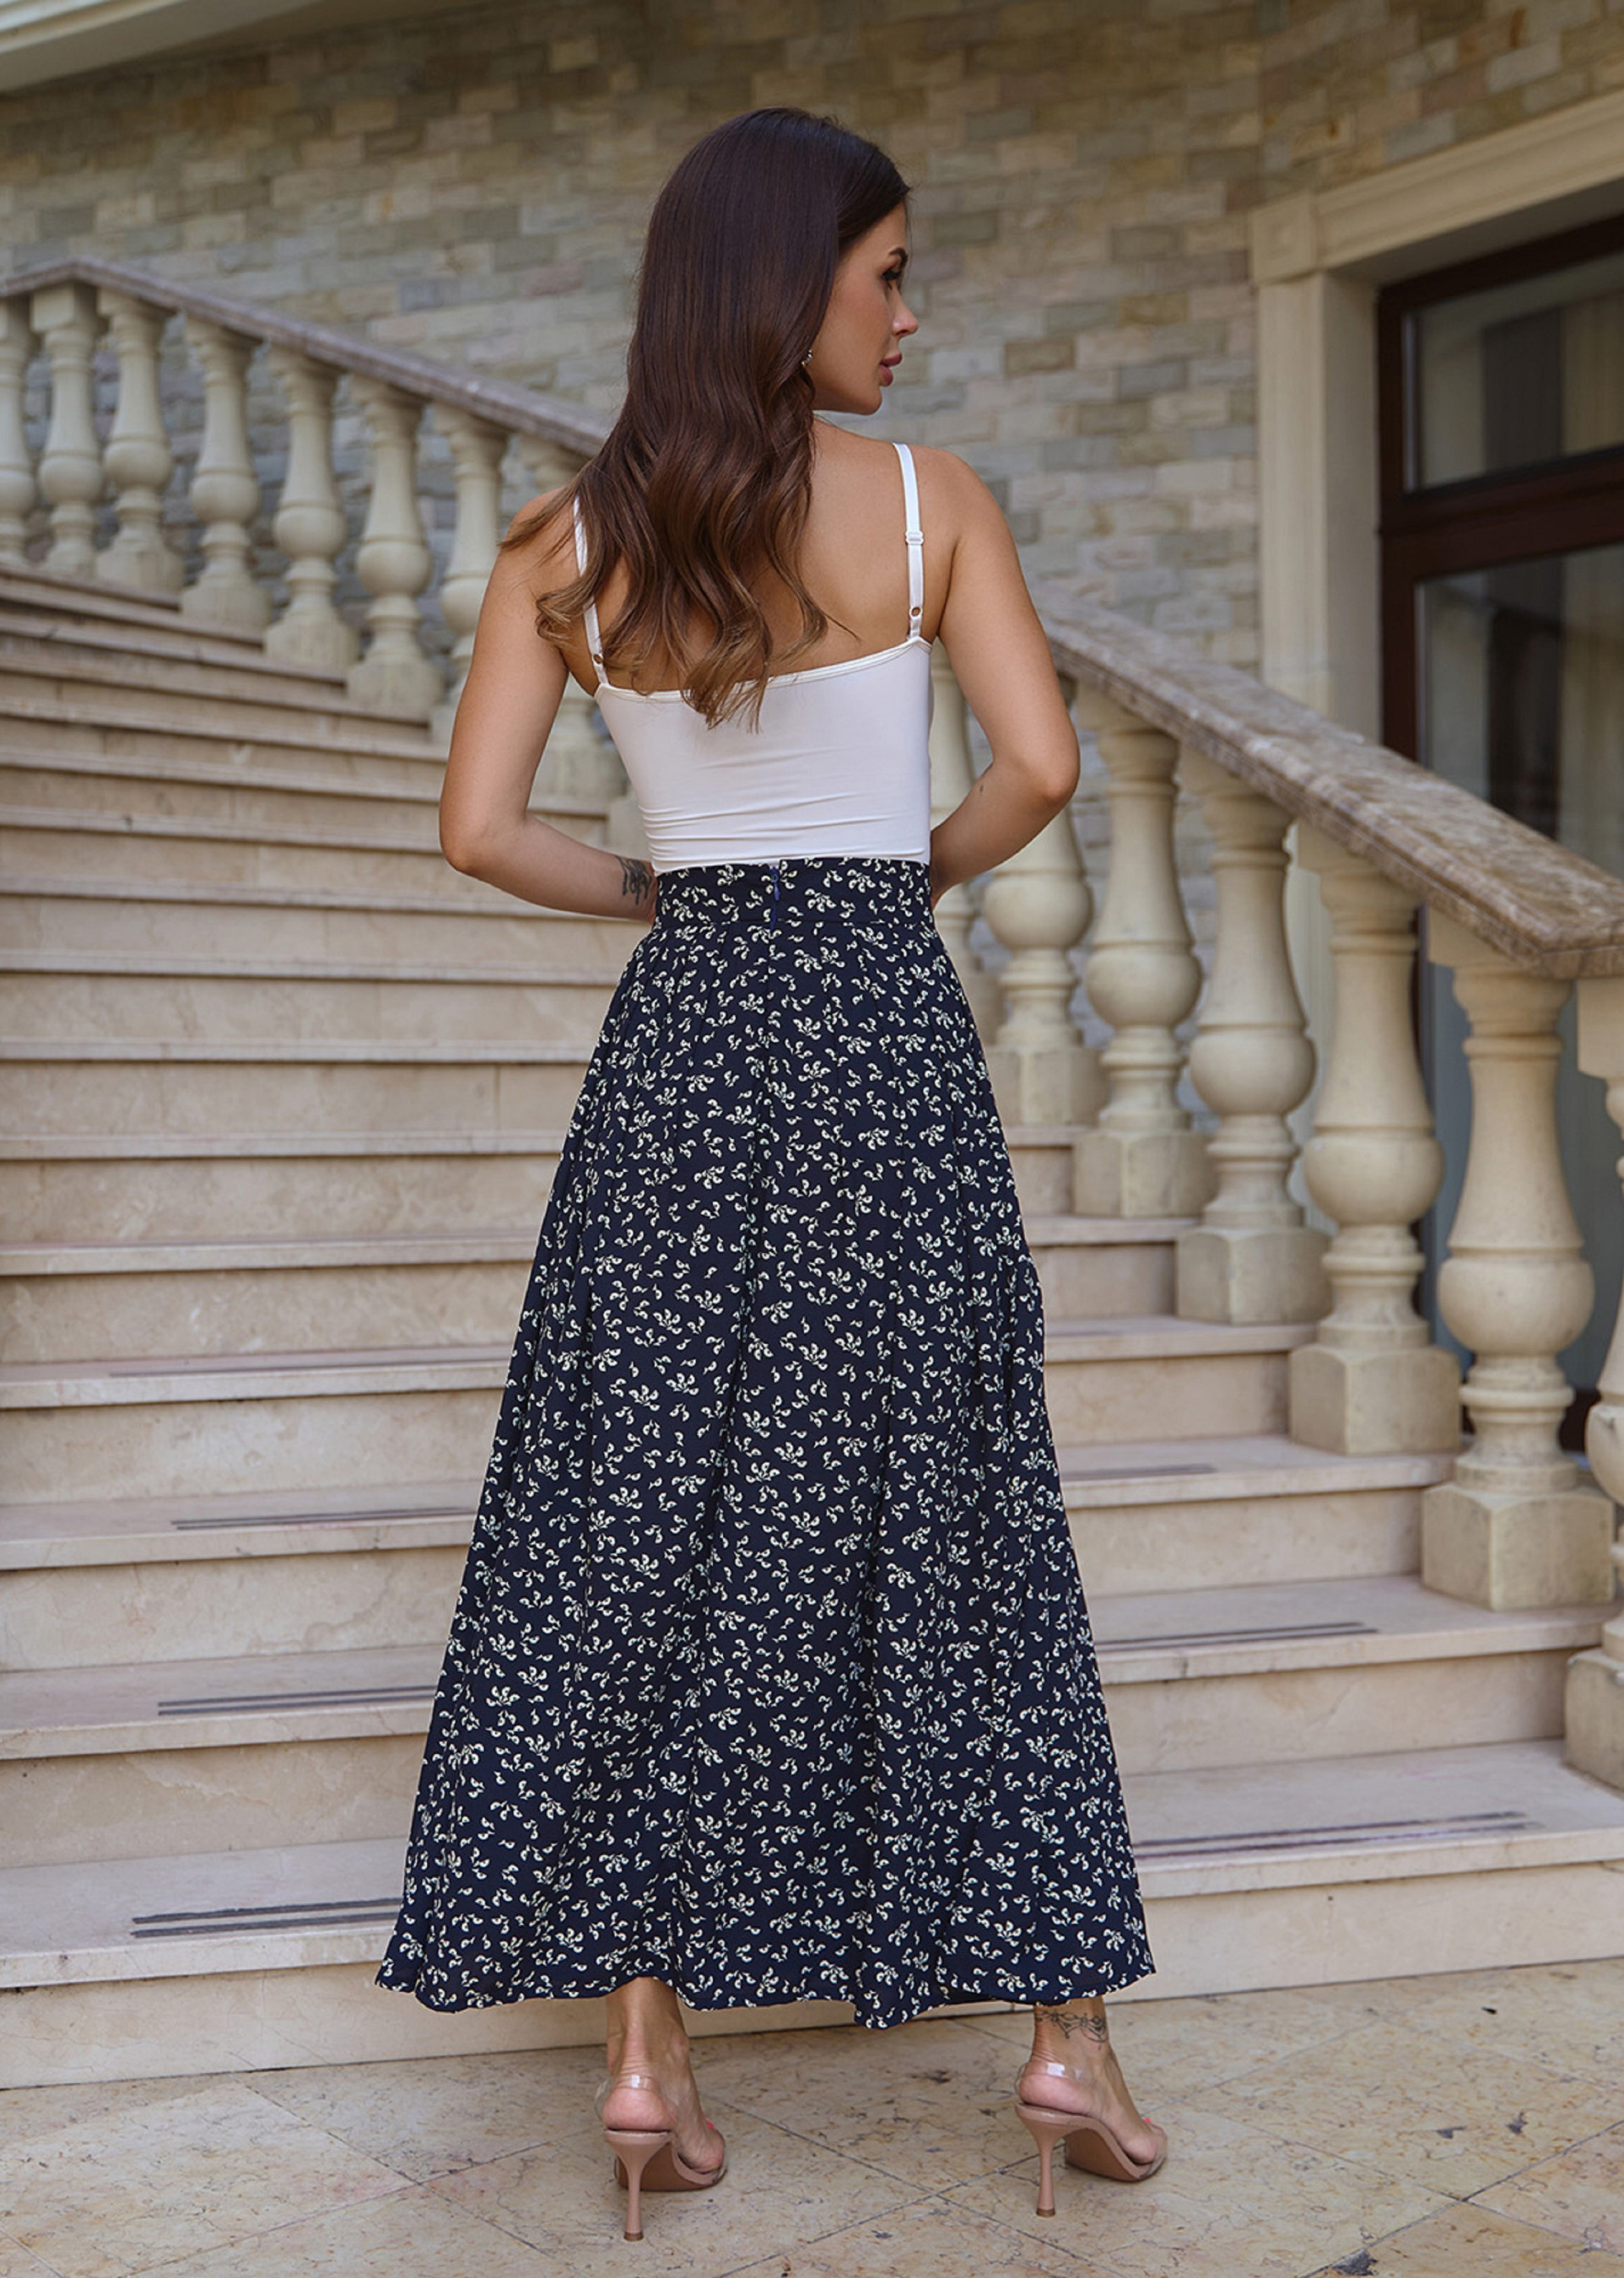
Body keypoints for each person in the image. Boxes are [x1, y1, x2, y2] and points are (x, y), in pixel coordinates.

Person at [375, 104, 1166, 2242]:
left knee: (643, 1522)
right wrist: (892, 880)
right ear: (785, 276)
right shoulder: (925, 505)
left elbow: (475, 832)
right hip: (882, 1046)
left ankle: (645, 2052)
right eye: (886, 273)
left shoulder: (565, 546)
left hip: (682, 1055)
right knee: (961, 1512)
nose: (909, 316)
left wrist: (665, 893)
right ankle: (1064, 2035)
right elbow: (1039, 767)